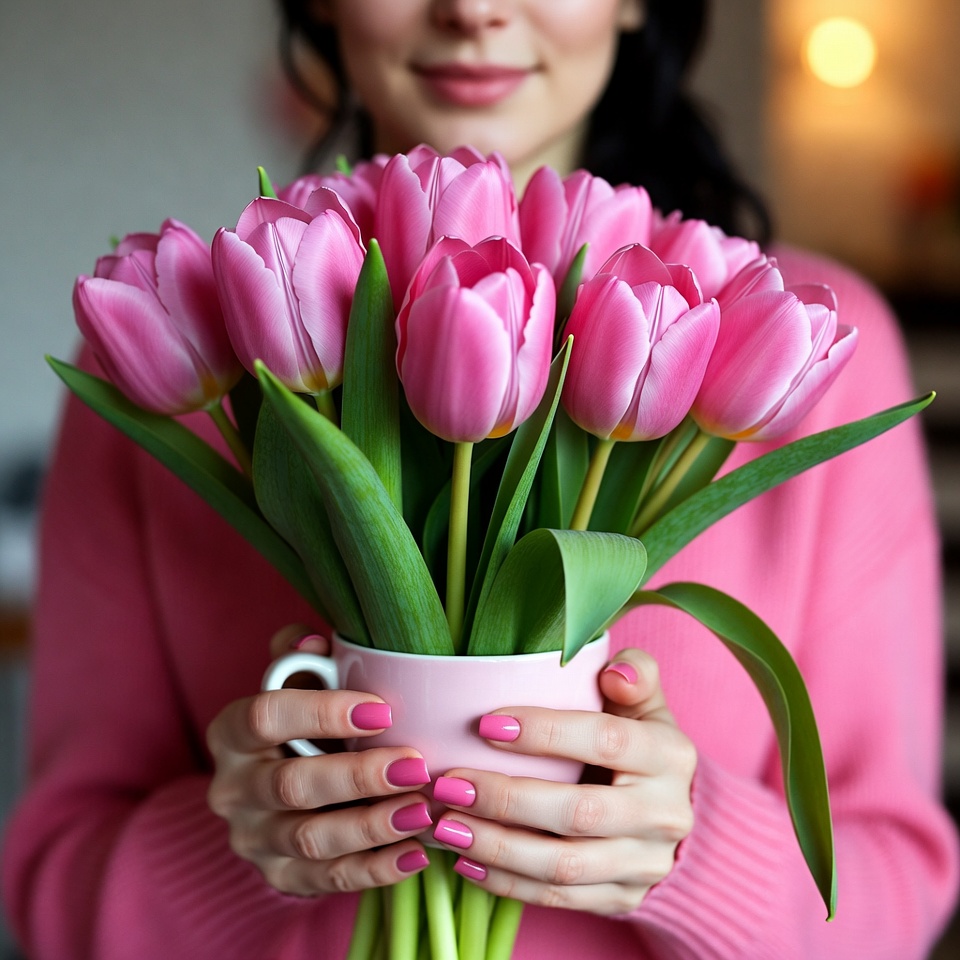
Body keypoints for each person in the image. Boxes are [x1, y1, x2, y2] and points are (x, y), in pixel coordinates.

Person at [3, 1, 958, 957]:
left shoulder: (795, 338)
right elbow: (50, 894)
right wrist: (236, 842)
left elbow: (897, 900)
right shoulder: (167, 335)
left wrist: (688, 853)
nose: (473, 8)